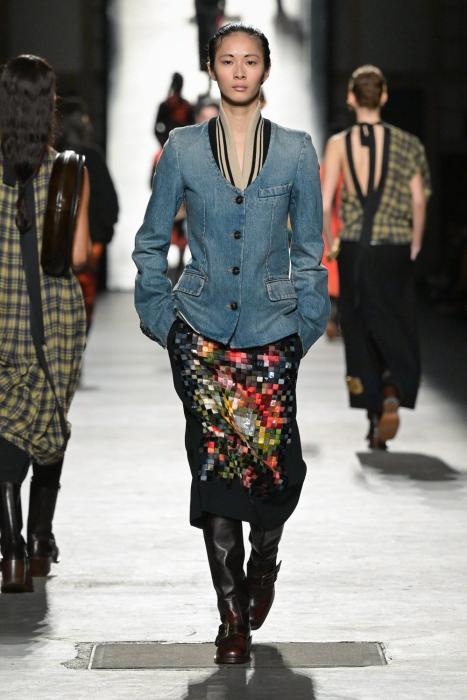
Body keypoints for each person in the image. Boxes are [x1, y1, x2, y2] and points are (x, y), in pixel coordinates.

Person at [133, 24, 329, 664]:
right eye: (227, 60)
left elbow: (310, 251)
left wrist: (306, 325)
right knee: (214, 471)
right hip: (201, 335)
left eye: (250, 60)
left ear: (266, 69)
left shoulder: (295, 151)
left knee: (275, 473)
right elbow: (151, 240)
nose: (239, 70)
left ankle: (264, 563)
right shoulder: (183, 148)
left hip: (274, 335)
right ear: (212, 69)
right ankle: (231, 617)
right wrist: (164, 321)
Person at [0, 56, 90, 593]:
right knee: (50, 424)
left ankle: (10, 551)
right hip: (55, 318)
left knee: (5, 427)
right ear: (49, 104)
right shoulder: (69, 172)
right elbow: (76, 255)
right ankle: (38, 542)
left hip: (2, 315)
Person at [321, 65, 431, 449]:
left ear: (351, 98)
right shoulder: (408, 143)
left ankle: (372, 418)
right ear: (384, 96)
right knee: (396, 322)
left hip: (354, 248)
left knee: (360, 329)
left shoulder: (339, 144)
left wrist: (332, 243)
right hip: (395, 246)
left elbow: (326, 202)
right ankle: (392, 388)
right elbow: (419, 200)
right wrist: (415, 243)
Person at [57, 97, 119, 332]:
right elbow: (109, 204)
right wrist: (99, 242)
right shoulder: (91, 156)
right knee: (82, 313)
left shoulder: (52, 157)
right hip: (88, 246)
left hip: (55, 248)